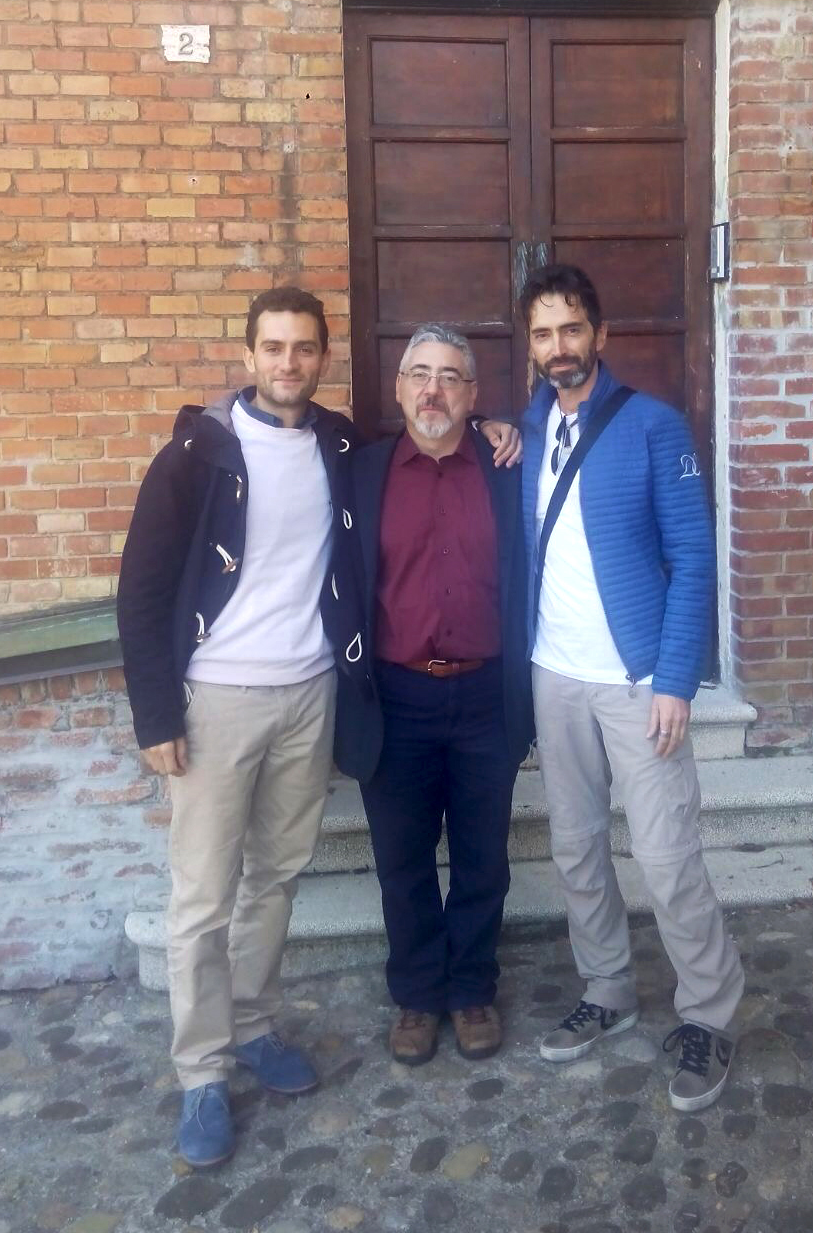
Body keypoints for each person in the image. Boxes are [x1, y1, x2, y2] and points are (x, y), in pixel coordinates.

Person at [117, 287, 519, 1167]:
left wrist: (498, 427)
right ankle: (201, 1071)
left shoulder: (339, 447)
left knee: (276, 876)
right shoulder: (199, 452)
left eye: (303, 348)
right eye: (273, 347)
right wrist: (155, 710)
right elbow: (142, 586)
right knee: (203, 895)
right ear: (249, 354)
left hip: (311, 693)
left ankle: (255, 1026)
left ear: (324, 359)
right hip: (218, 698)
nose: (288, 362)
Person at [518, 263, 744, 1112]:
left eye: (571, 328)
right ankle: (607, 987)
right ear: (532, 346)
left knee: (666, 854)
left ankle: (711, 1013)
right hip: (554, 674)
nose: (559, 347)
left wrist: (676, 678)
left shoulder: (654, 425)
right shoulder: (529, 428)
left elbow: (692, 558)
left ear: (600, 335)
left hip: (637, 679)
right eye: (543, 333)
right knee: (577, 846)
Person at [334, 325, 533, 1066]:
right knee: (403, 859)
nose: (432, 390)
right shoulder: (363, 470)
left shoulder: (509, 467)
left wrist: (507, 429)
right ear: (398, 387)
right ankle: (418, 994)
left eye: (450, 377)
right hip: (396, 697)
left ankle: (472, 988)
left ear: (473, 394)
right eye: (419, 373)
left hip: (486, 693)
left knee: (484, 857)